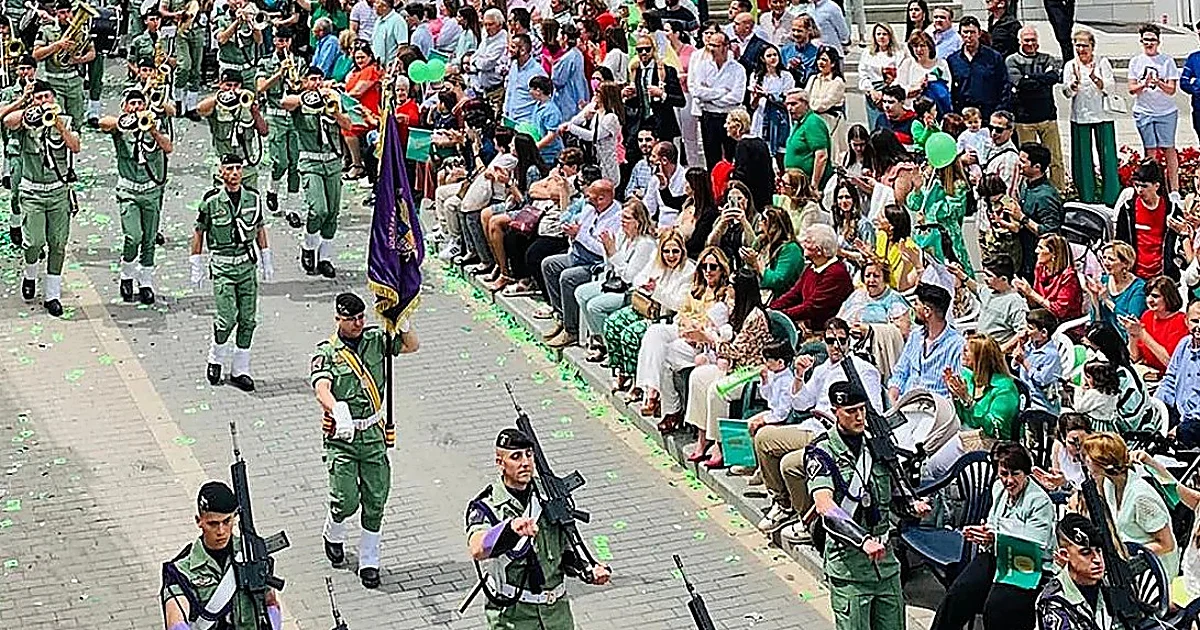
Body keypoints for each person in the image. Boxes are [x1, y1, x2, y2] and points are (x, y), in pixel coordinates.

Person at [311, 292, 416, 588]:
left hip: (372, 434)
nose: (358, 323)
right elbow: (322, 387)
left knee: (376, 499)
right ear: (338, 320)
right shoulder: (327, 352)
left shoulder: (375, 340)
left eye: (360, 317)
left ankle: (369, 559)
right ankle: (334, 530)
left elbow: (411, 345)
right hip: (342, 437)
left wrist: (403, 320)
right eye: (351, 319)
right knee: (345, 500)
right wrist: (336, 408)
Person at [806, 380, 923, 630]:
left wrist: (912, 505)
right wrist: (862, 540)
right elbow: (824, 505)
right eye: (851, 411)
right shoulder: (822, 452)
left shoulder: (876, 445)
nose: (859, 417)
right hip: (850, 568)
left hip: (886, 565)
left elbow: (892, 495)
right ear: (835, 411)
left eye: (862, 409)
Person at [466, 428, 611, 629]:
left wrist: (586, 568)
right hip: (514, 617)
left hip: (557, 615)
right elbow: (477, 548)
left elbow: (566, 550)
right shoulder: (487, 505)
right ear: (500, 463)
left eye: (529, 454)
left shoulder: (550, 496)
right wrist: (509, 529)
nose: (525, 463)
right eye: (516, 457)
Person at [755, 319, 885, 541]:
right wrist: (798, 376)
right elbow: (800, 404)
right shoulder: (823, 368)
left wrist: (843, 419)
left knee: (790, 462)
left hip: (833, 433)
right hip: (812, 426)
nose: (836, 346)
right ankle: (783, 503)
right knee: (763, 437)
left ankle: (808, 520)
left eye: (841, 341)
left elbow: (874, 412)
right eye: (830, 341)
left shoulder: (863, 370)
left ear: (849, 342)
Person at [930, 442, 1054, 630]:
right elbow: (993, 524)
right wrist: (984, 534)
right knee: (958, 594)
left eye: (1015, 474)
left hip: (1026, 562)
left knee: (996, 609)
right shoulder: (998, 489)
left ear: (1025, 473)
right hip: (997, 553)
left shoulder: (1039, 501)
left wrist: (995, 537)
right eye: (1004, 474)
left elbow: (1034, 544)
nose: (1009, 480)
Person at [683, 269, 774, 468]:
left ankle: (719, 444)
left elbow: (736, 351)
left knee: (718, 389)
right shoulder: (735, 309)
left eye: (732, 287)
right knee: (698, 376)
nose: (729, 290)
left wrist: (710, 339)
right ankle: (702, 436)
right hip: (735, 367)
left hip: (752, 370)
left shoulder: (755, 316)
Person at [4, 79, 80, 317]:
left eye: (47, 97)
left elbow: (75, 146)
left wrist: (57, 123)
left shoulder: (64, 120)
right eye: (39, 97)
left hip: (58, 191)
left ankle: (52, 295)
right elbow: (7, 120)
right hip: (32, 191)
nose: (44, 101)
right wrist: (27, 106)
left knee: (58, 244)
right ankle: (29, 274)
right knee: (34, 242)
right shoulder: (25, 121)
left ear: (54, 98)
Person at [161, 481, 282, 630]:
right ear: (199, 521)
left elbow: (270, 603)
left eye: (227, 521)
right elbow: (176, 622)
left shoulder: (252, 554)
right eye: (213, 524)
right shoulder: (180, 572)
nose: (221, 531)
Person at [636, 246, 732, 431]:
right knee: (655, 332)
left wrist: (696, 328)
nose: (708, 271)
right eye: (704, 266)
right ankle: (651, 391)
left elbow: (718, 322)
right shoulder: (697, 289)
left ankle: (669, 409)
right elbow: (682, 313)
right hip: (685, 330)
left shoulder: (726, 293)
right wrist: (685, 325)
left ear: (722, 269)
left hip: (705, 342)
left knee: (665, 354)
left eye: (713, 267)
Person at [99, 88, 172, 306]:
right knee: (133, 236)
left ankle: (146, 282)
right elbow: (103, 122)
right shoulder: (120, 127)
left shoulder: (155, 123)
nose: (136, 107)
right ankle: (126, 275)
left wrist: (153, 130)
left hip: (151, 191)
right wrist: (125, 121)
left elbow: (168, 147)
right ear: (125, 107)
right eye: (132, 103)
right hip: (128, 191)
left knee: (149, 239)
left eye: (140, 103)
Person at [281, 67, 353, 278]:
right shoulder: (300, 102)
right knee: (318, 209)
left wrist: (334, 110)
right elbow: (285, 103)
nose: (318, 83)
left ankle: (325, 258)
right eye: (313, 79)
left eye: (320, 79)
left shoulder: (332, 100)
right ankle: (308, 245)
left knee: (332, 213)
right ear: (305, 81)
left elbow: (348, 124)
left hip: (332, 162)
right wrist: (308, 97)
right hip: (311, 161)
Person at [603, 230, 697, 393]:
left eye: (675, 251)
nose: (671, 255)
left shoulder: (688, 270)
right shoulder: (656, 260)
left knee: (631, 334)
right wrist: (646, 284)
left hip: (665, 317)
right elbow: (638, 278)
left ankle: (637, 383)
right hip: (646, 307)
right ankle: (621, 371)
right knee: (612, 323)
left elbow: (679, 304)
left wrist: (657, 290)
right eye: (666, 251)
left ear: (682, 251)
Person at [1082, 432, 1179, 579]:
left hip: (1154, 569)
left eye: (1088, 458)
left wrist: (1128, 554)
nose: (1085, 462)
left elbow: (1167, 544)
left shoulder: (1141, 497)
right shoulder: (1109, 483)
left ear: (1103, 462)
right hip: (1129, 562)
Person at [925, 333, 1020, 481]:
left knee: (969, 482)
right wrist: (955, 396)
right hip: (966, 437)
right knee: (932, 467)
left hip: (994, 445)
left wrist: (967, 400)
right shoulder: (969, 378)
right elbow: (963, 417)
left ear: (980, 358)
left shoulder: (1004, 388)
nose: (962, 354)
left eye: (967, 351)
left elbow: (994, 429)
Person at [1062, 29, 1119, 206]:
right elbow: (1066, 92)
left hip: (1102, 115)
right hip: (1081, 116)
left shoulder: (1102, 62)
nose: (1081, 49)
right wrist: (1073, 84)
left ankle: (1111, 196)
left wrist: (1096, 79)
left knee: (1107, 156)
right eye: (1077, 45)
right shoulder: (1071, 65)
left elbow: (1110, 88)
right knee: (1082, 157)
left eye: (1084, 45)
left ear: (1092, 46)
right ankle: (1087, 196)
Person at [1007, 26, 1064, 190]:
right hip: (1024, 120)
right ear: (1020, 41)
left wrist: (1031, 78)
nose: (1030, 43)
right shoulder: (1012, 61)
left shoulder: (1047, 58)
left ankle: (1058, 191)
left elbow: (1054, 77)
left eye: (1033, 40)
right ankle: (1028, 190)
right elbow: (1022, 84)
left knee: (1055, 159)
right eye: (1027, 40)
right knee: (1027, 162)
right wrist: (1040, 79)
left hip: (1048, 116)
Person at [888, 281, 964, 403]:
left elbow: (957, 388)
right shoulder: (915, 336)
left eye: (916, 304)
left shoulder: (957, 345)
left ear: (927, 311)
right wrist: (893, 394)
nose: (913, 308)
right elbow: (900, 372)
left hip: (935, 408)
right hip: (906, 403)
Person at [1035, 514, 1113, 630]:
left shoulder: (1112, 584)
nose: (1097, 559)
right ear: (1064, 555)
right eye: (1086, 553)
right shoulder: (1055, 601)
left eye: (1098, 550)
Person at [770, 224, 852, 332]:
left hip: (826, 331)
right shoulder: (812, 267)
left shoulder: (836, 274)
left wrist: (779, 316)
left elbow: (811, 307)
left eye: (808, 242)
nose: (804, 244)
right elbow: (795, 293)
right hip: (809, 325)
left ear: (820, 250)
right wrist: (771, 309)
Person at [1128, 23, 1181, 195]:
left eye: (1152, 40)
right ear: (1141, 41)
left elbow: (1172, 90)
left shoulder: (1167, 61)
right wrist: (1144, 83)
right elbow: (1131, 89)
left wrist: (1158, 82)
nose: (1149, 43)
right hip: (1144, 111)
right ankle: (1152, 187)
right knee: (1150, 150)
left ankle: (1174, 189)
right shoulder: (1136, 61)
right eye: (1146, 40)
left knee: (1168, 148)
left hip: (1165, 111)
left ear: (1158, 42)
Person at [196, 70, 269, 190]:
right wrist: (219, 97)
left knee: (249, 204)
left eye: (236, 85)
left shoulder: (246, 102)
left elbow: (264, 131)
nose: (232, 89)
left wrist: (255, 112)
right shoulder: (216, 105)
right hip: (225, 167)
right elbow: (200, 109)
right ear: (220, 84)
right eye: (228, 85)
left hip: (246, 166)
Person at [256, 27, 301, 215]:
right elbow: (261, 87)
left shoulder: (299, 61)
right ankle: (272, 189)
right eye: (278, 40)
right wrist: (279, 74)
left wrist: (296, 83)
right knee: (280, 161)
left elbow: (304, 85)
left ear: (289, 42)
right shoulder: (265, 62)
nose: (281, 43)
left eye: (285, 40)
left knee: (295, 164)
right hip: (275, 115)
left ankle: (293, 209)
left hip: (296, 117)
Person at [622, 36, 684, 169]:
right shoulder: (635, 71)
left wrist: (662, 94)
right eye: (640, 50)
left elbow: (680, 100)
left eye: (647, 49)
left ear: (653, 50)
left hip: (662, 123)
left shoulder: (667, 70)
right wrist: (627, 96)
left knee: (664, 161)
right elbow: (635, 102)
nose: (644, 53)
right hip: (641, 123)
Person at [33, 0, 95, 131]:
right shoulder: (46, 29)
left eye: (69, 12)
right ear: (56, 13)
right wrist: (57, 45)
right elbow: (36, 55)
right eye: (62, 13)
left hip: (75, 81)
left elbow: (92, 53)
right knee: (57, 119)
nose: (66, 16)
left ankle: (74, 146)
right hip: (54, 81)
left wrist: (79, 59)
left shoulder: (81, 29)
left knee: (77, 120)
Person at [690, 31, 747, 169]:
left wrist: (710, 97)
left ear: (725, 46)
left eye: (715, 45)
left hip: (729, 116)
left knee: (732, 154)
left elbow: (737, 97)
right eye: (709, 45)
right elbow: (696, 91)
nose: (711, 49)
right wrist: (721, 92)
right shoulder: (702, 66)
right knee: (711, 156)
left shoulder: (738, 69)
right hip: (709, 116)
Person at [1116, 160, 1180, 281]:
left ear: (1157, 186)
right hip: (1135, 276)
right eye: (1136, 185)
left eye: (1145, 186)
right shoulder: (1128, 210)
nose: (1140, 190)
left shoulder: (1171, 211)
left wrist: (1176, 263)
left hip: (1164, 276)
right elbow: (1120, 242)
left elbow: (1182, 241)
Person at [1010, 144, 1063, 280]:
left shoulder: (1045, 196)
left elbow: (1050, 231)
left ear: (1037, 167)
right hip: (1022, 254)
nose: (1019, 164)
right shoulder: (1025, 183)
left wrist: (1022, 218)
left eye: (1023, 161)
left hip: (1037, 260)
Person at [954, 255, 1028, 348]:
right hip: (981, 345)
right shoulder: (988, 291)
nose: (985, 278)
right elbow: (976, 288)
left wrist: (1002, 350)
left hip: (996, 350)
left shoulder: (1015, 302)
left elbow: (1022, 332)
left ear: (1003, 279)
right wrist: (961, 275)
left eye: (989, 276)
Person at [561, 82, 623, 185]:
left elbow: (593, 136)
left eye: (599, 92)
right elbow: (575, 121)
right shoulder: (593, 108)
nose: (595, 93)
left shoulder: (611, 117)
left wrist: (571, 128)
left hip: (605, 163)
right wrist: (585, 117)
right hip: (590, 158)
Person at [1014, 234, 1082, 324]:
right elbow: (1036, 303)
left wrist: (1031, 293)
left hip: (1064, 323)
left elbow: (1059, 311)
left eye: (1041, 248)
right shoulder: (1040, 268)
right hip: (1043, 318)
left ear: (1054, 253)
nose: (1036, 251)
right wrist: (1026, 293)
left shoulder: (1068, 277)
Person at [947, 16, 1008, 119]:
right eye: (965, 32)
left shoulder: (994, 57)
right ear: (960, 34)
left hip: (988, 114)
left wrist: (999, 111)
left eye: (972, 32)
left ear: (979, 33)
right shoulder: (952, 60)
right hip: (963, 115)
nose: (969, 36)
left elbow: (1004, 85)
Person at [1158, 300, 1200, 446]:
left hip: (1196, 420)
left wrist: (1179, 428)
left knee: (1186, 432)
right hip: (1179, 410)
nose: (1199, 327)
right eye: (1195, 321)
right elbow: (1169, 379)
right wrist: (1157, 405)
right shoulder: (1184, 344)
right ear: (1186, 321)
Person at [1126, 276, 1187, 376]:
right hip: (1148, 374)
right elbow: (1134, 357)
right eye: (1147, 295)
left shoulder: (1180, 321)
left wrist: (1142, 333)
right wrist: (1132, 334)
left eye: (1155, 296)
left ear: (1168, 297)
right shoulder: (1147, 315)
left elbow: (1169, 362)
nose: (1149, 300)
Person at [1087, 242, 1148, 335]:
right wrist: (1094, 297)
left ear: (1125, 263)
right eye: (1104, 258)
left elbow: (1130, 326)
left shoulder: (1138, 289)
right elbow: (1095, 321)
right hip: (1105, 337)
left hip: (1126, 341)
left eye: (1111, 259)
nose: (1105, 262)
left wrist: (1108, 301)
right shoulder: (1104, 280)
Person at [749, 43, 795, 164]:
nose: (773, 58)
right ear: (762, 59)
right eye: (769, 55)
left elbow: (786, 100)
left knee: (781, 152)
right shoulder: (756, 76)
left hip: (780, 117)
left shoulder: (786, 76)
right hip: (762, 116)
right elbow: (752, 105)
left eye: (775, 55)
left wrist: (768, 96)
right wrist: (757, 97)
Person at [160, 0, 204, 118]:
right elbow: (162, 10)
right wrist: (174, 15)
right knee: (184, 66)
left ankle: (191, 106)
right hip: (180, 31)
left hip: (197, 30)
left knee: (196, 69)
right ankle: (178, 100)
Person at [783, 88, 831, 194]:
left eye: (793, 104)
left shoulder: (813, 122)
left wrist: (814, 185)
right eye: (787, 105)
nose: (790, 108)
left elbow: (821, 156)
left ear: (805, 103)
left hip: (808, 186)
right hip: (795, 186)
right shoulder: (798, 124)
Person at [859, 23, 905, 131]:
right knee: (875, 126)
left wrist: (884, 93)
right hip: (873, 95)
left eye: (885, 34)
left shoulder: (898, 53)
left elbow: (900, 74)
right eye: (878, 34)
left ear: (890, 36)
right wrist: (871, 91)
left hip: (891, 93)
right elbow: (863, 74)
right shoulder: (867, 53)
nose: (881, 37)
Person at [806, 46, 846, 162]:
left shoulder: (837, 82)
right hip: (813, 120)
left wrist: (810, 104)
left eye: (824, 60)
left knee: (832, 154)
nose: (820, 63)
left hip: (830, 122)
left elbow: (823, 105)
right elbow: (805, 96)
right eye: (819, 59)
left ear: (833, 63)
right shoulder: (813, 78)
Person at [215, 0, 264, 86]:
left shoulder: (251, 17)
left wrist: (251, 23)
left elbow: (259, 40)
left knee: (250, 96)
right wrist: (237, 22)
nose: (237, 2)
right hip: (228, 68)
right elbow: (222, 39)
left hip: (248, 69)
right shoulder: (221, 18)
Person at [370, 0, 408, 68]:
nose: (374, 5)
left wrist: (394, 67)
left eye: (377, 3)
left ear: (385, 6)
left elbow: (403, 47)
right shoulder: (378, 20)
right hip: (377, 66)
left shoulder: (398, 21)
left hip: (390, 67)